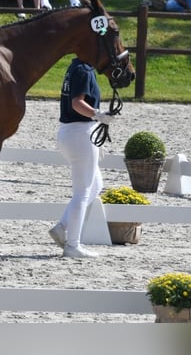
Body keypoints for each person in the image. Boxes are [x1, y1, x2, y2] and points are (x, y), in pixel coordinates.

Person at [48, 56, 115, 259]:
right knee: (82, 192)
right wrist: (98, 115)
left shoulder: (74, 67)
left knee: (96, 185)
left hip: (73, 133)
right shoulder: (84, 70)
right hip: (80, 133)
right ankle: (73, 245)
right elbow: (77, 103)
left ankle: (62, 226)